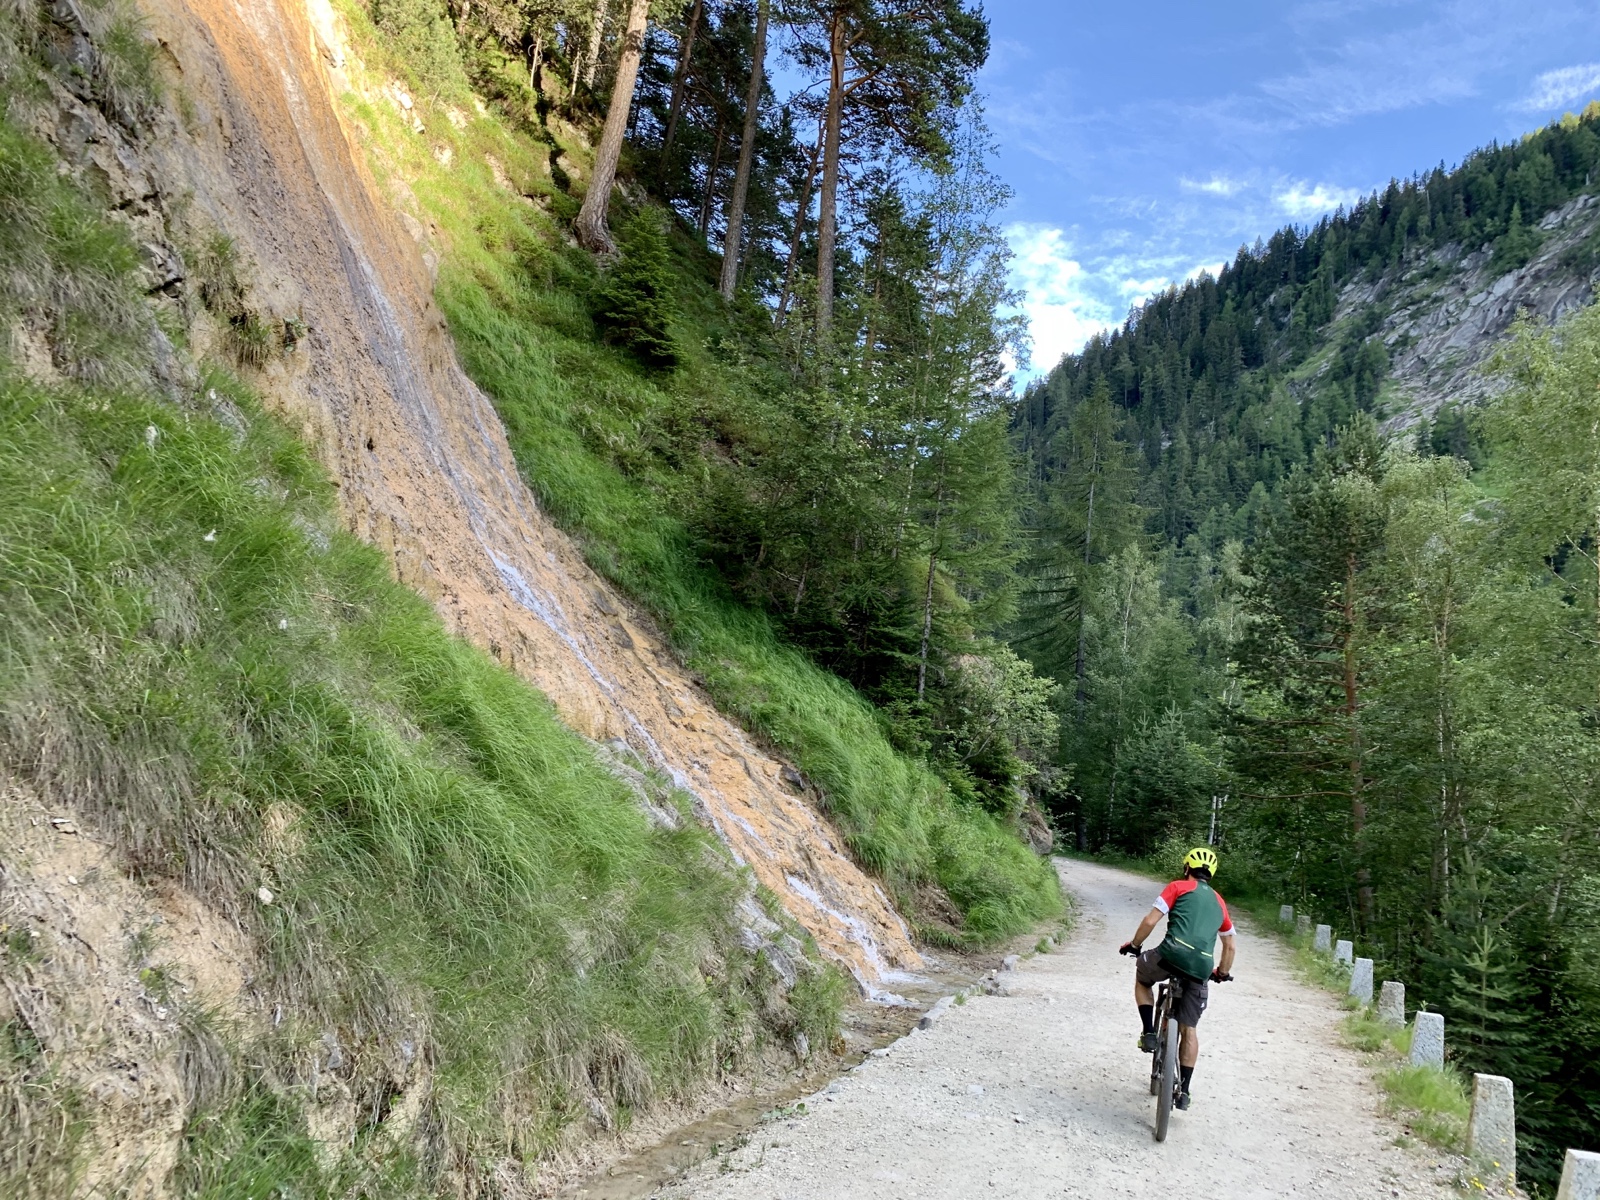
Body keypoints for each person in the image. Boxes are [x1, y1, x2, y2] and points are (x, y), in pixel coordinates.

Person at [1118, 846, 1236, 1110]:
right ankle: (1184, 1091)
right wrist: (1221, 973)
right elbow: (1230, 946)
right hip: (1201, 968)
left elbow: (1150, 921)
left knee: (1143, 978)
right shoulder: (1219, 902)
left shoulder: (1178, 887)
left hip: (1170, 955)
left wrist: (1135, 946)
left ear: (1187, 868)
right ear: (1211, 874)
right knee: (1189, 1029)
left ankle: (1149, 1033)